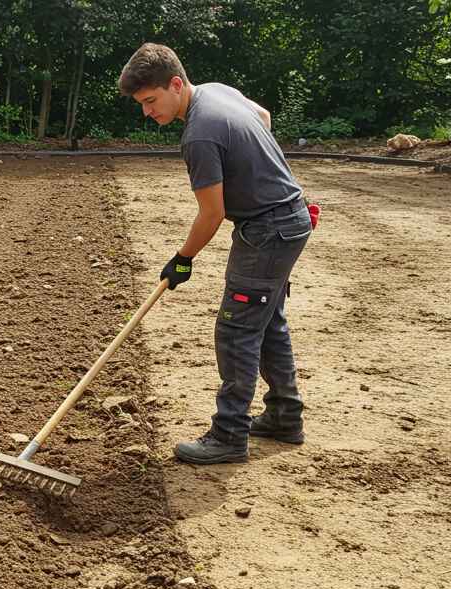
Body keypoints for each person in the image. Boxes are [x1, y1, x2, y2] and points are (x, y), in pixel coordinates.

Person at [118, 42, 311, 464]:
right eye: (141, 104)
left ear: (175, 84)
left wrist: (183, 258)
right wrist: (258, 168)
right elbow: (262, 117)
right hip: (289, 220)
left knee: (237, 330)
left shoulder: (200, 133)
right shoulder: (217, 90)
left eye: (150, 101)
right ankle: (284, 415)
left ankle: (228, 436)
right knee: (267, 321)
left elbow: (212, 212)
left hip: (267, 231)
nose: (147, 112)